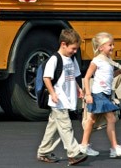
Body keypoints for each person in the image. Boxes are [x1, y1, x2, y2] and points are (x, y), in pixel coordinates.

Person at [37, 29, 88, 166]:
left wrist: (79, 90)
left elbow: (74, 77)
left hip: (67, 98)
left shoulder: (72, 59)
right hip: (58, 100)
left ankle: (44, 151)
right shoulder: (54, 59)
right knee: (66, 127)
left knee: (53, 128)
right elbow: (46, 78)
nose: (75, 51)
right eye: (73, 48)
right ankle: (73, 154)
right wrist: (53, 93)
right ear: (63, 44)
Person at [80, 32, 121, 158]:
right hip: (98, 94)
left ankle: (84, 145)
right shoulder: (96, 61)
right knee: (111, 118)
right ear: (101, 47)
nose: (113, 47)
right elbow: (86, 78)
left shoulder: (108, 61)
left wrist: (119, 71)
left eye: (113, 44)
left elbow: (109, 76)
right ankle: (114, 148)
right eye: (110, 45)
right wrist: (88, 94)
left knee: (91, 120)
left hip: (105, 94)